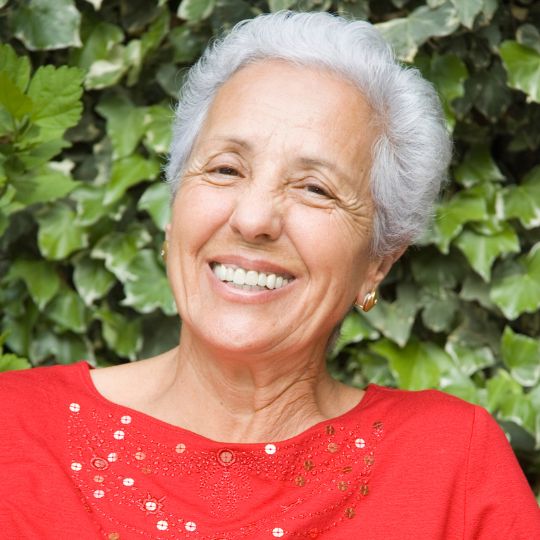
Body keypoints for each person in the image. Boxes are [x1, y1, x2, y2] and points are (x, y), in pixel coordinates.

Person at [1, 10, 539, 540]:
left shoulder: (449, 464)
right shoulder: (14, 427)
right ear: (174, 213)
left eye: (315, 189)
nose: (253, 218)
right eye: (225, 169)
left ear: (379, 261)